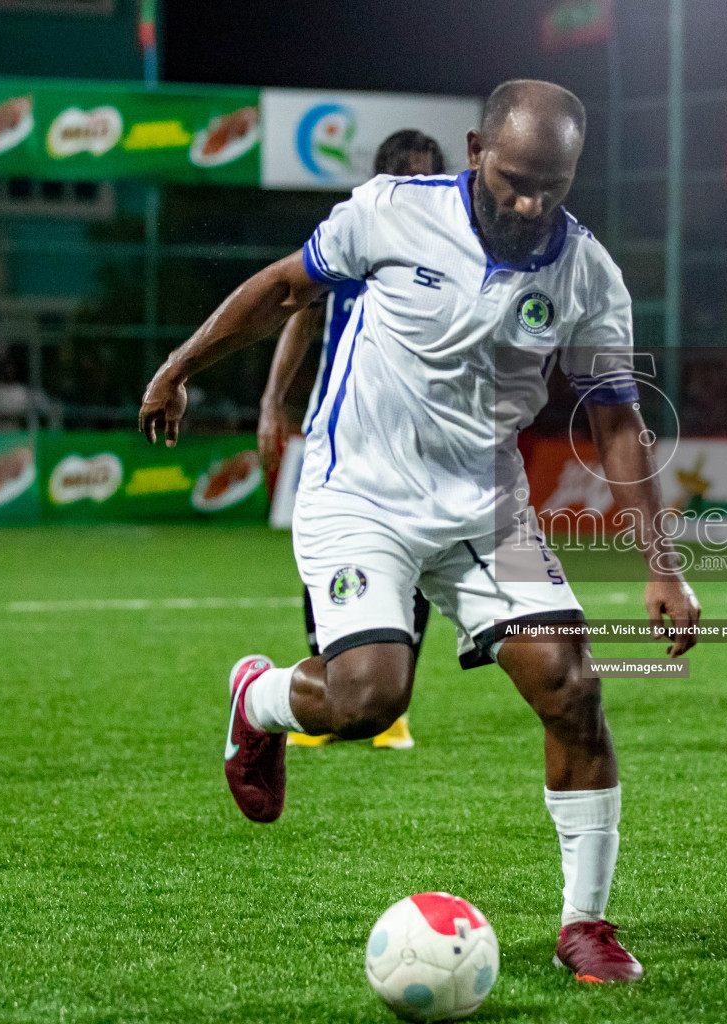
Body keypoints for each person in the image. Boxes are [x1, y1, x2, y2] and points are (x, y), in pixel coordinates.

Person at [139, 80, 700, 984]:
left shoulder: (589, 274)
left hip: (490, 507)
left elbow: (618, 421)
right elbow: (286, 287)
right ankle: (259, 701)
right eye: (514, 178)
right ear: (476, 149)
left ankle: (584, 925)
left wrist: (663, 565)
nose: (530, 203)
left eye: (551, 187)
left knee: (573, 685)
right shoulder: (391, 213)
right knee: (369, 700)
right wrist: (179, 366)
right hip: (358, 490)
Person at [259, 129, 447, 751]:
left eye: (429, 173)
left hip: (419, 438)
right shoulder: (351, 235)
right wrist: (272, 402)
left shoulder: (453, 252)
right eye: (409, 173)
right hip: (334, 432)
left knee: (416, 563)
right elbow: (299, 315)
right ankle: (329, 680)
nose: (419, 184)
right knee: (326, 559)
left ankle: (392, 709)